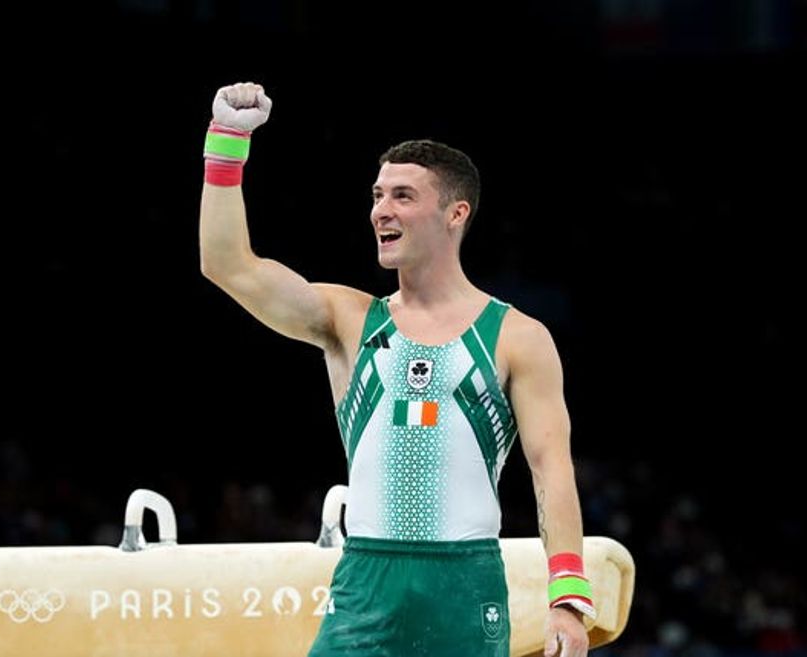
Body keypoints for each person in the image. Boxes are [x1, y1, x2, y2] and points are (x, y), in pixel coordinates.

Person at [199, 82, 595, 657]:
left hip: (464, 584)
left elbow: (551, 467)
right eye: (378, 195)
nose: (381, 210)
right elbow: (228, 264)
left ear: (456, 213)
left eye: (403, 196)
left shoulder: (518, 338)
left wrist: (567, 595)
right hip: (366, 584)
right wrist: (227, 142)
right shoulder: (348, 320)